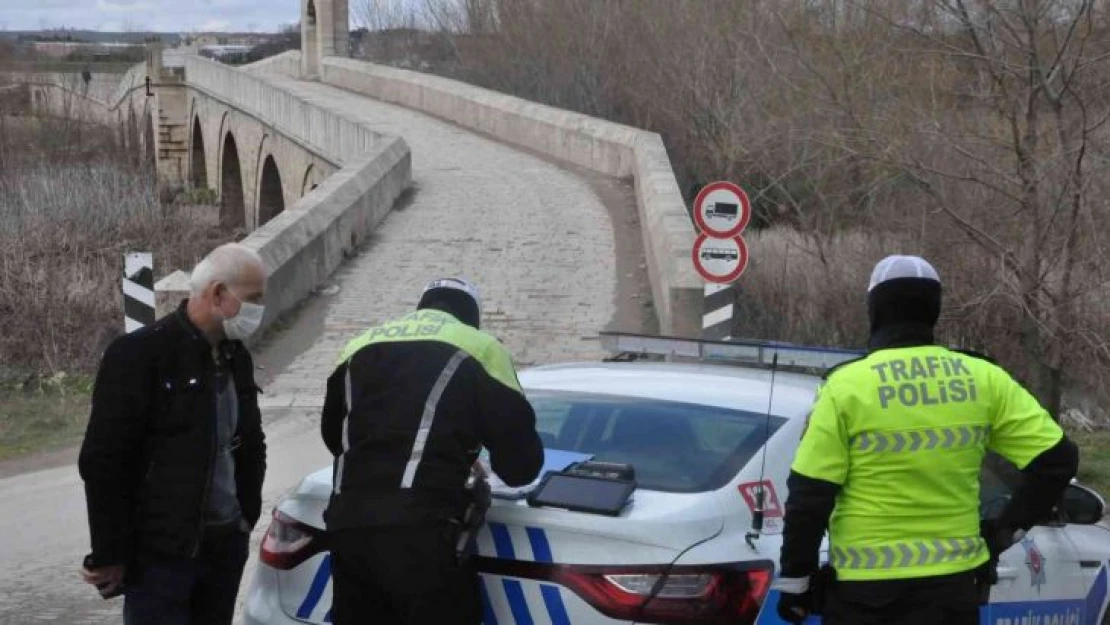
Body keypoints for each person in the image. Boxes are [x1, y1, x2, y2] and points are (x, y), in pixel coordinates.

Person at [773, 254, 1079, 625]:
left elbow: (810, 493)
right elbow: (1056, 460)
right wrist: (1002, 530)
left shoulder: (846, 387)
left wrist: (796, 582)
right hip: (952, 592)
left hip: (865, 596)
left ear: (875, 310)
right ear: (934, 310)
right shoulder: (983, 379)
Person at [321, 277, 544, 625]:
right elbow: (521, 465)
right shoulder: (481, 348)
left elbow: (335, 436)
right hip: (424, 531)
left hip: (349, 525)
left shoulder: (360, 344)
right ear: (470, 317)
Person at [78, 243, 269, 625]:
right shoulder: (140, 355)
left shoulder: (235, 357)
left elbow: (250, 440)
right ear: (217, 293)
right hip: (161, 557)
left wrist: (246, 517)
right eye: (254, 299)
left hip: (224, 548)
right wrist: (110, 553)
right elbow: (104, 460)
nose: (259, 310)